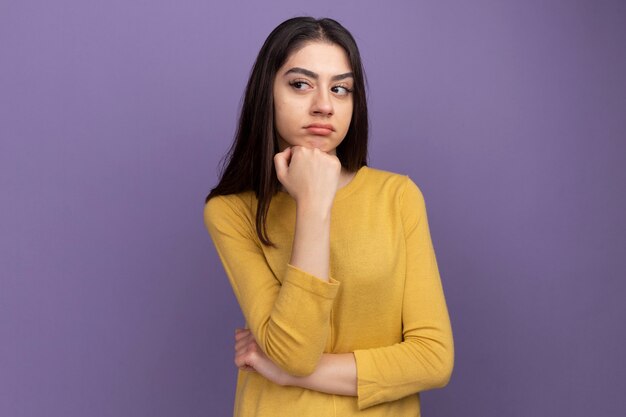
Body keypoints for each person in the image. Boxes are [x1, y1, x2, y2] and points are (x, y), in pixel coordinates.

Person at [203, 16, 454, 416]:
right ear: (266, 92)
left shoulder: (398, 196)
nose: (323, 105)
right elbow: (296, 350)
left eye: (340, 89)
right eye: (300, 84)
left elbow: (433, 359)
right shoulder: (231, 211)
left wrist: (291, 375)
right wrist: (314, 205)